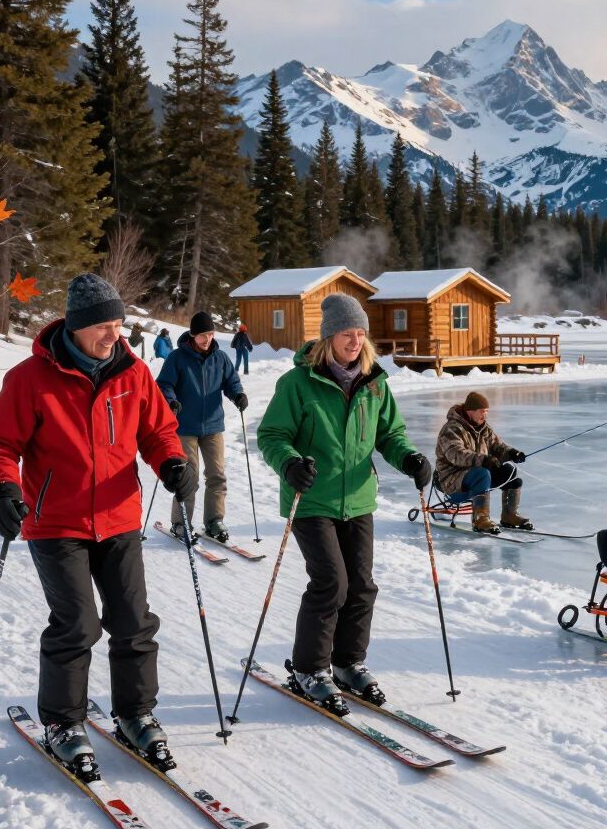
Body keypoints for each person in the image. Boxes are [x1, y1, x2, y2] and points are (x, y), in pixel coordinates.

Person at [0, 273, 197, 773]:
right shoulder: (30, 379)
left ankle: (136, 714)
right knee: (77, 625)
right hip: (56, 523)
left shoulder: (133, 373)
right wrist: (3, 490)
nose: (113, 335)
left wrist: (173, 463)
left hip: (118, 517)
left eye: (118, 324)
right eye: (102, 326)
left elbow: (159, 430)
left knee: (133, 623)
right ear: (75, 328)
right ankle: (62, 722)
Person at [256, 293, 431, 708]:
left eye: (359, 333)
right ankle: (309, 667)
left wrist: (408, 457)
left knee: (362, 585)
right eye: (346, 333)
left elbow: (390, 435)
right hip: (311, 499)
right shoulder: (297, 383)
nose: (354, 341)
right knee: (331, 583)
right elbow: (272, 436)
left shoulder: (374, 382)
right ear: (328, 336)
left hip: (358, 499)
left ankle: (348, 662)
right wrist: (290, 463)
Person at [157, 311, 246, 544]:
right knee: (188, 477)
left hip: (214, 425)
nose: (207, 339)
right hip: (185, 426)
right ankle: (181, 522)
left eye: (210, 334)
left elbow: (231, 381)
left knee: (217, 475)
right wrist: (171, 400)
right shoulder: (177, 358)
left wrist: (237, 395)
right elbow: (164, 384)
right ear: (192, 335)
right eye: (202, 335)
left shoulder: (221, 357)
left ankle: (214, 521)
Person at [434, 391, 530, 533]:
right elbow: (456, 454)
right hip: (452, 480)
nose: (485, 415)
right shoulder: (452, 429)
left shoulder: (483, 428)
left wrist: (512, 453)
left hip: (475, 476)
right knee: (482, 473)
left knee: (510, 471)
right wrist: (484, 459)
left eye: (486, 412)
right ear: (470, 411)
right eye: (482, 411)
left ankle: (509, 516)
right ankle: (480, 519)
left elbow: (498, 447)